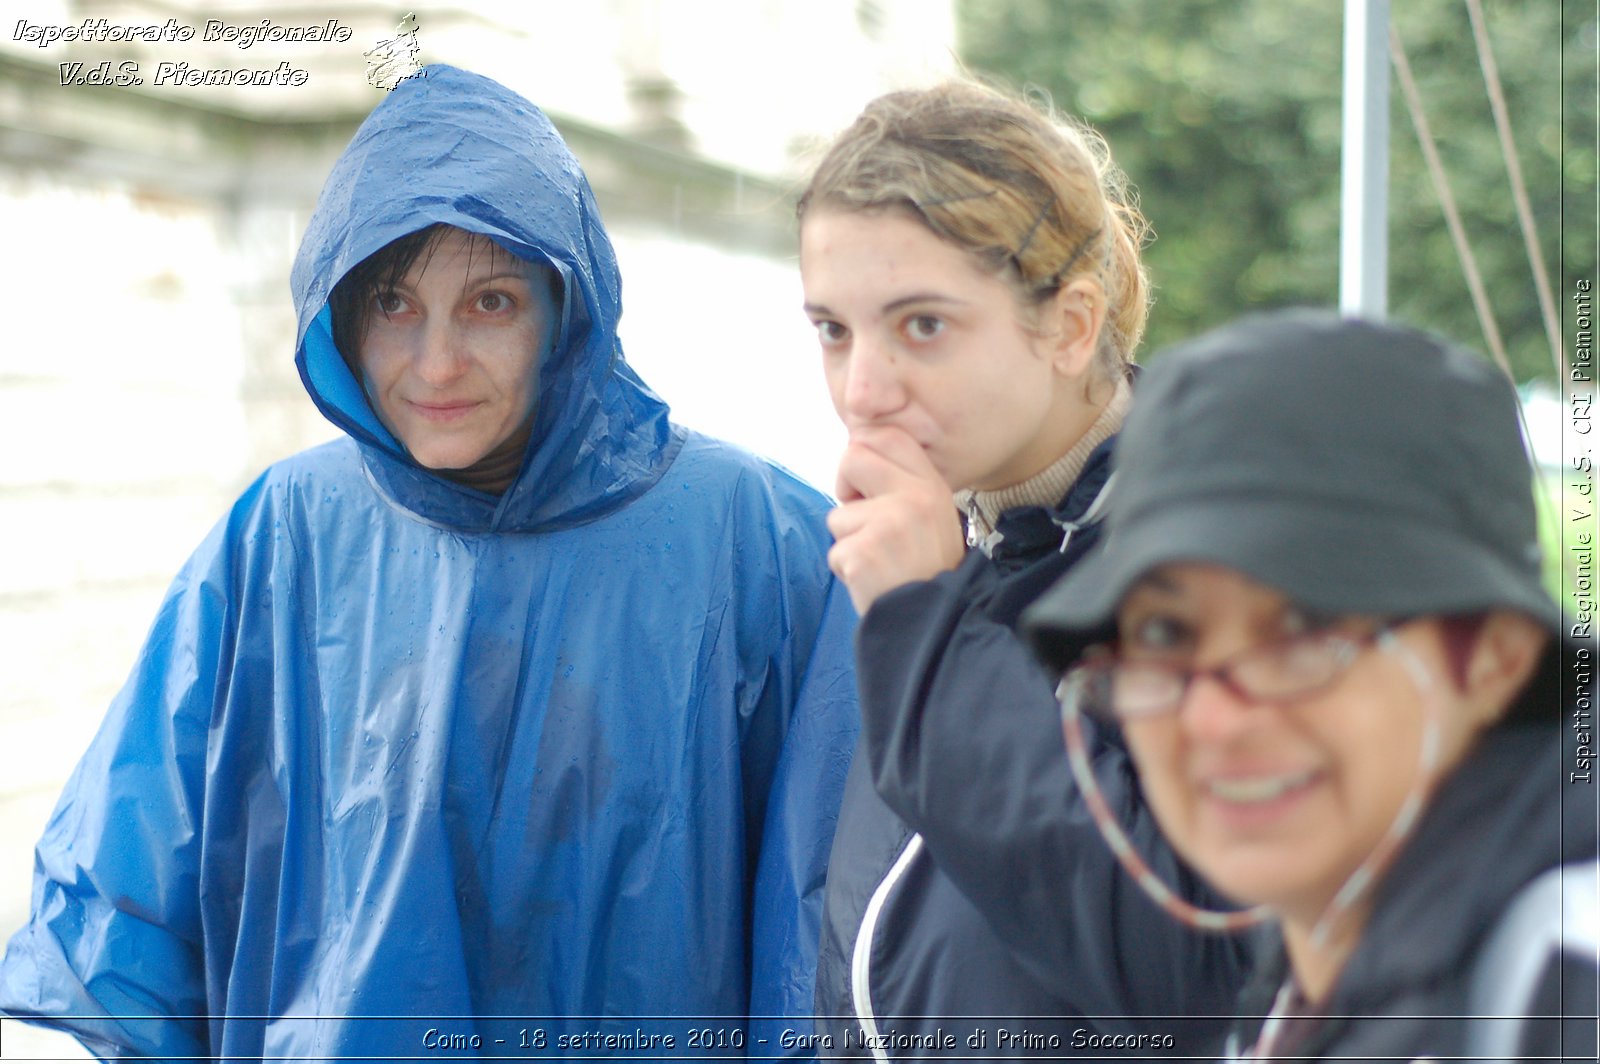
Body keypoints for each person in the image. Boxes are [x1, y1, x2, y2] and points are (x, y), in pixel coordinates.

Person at [0, 65, 858, 1060]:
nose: (437, 362)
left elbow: (832, 929)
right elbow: (130, 891)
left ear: (565, 311)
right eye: (396, 304)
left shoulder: (755, 538)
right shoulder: (286, 535)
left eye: (490, 302)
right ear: (343, 320)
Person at [796, 80, 1251, 1057]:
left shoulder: (1226, 558)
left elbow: (1199, 976)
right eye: (832, 329)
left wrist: (928, 627)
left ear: (1071, 325)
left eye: (922, 325)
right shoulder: (954, 552)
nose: (861, 391)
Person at [1025, 310, 1599, 1061]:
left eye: (1305, 629)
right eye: (1166, 635)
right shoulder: (1306, 980)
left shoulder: (1565, 980)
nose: (1214, 717)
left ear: (1495, 658)